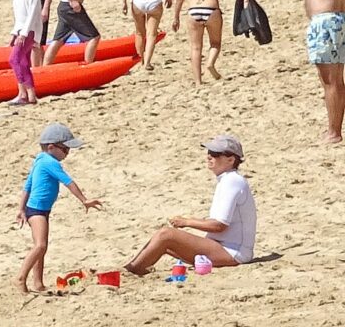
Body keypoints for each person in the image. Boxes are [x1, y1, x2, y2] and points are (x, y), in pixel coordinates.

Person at [125, 135, 256, 274]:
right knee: (163, 244)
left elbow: (219, 226)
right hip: (226, 247)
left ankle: (130, 270)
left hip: (232, 252)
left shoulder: (231, 181)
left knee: (165, 235)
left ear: (231, 160)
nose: (209, 157)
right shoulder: (228, 180)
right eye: (209, 153)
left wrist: (186, 222)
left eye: (215, 154)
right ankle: (133, 268)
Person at [16, 123, 101, 294]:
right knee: (40, 246)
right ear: (51, 147)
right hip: (38, 210)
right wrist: (84, 200)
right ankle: (21, 277)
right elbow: (68, 182)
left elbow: (28, 186)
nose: (67, 153)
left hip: (39, 210)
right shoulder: (50, 162)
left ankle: (38, 283)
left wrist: (21, 208)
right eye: (65, 149)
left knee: (41, 247)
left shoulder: (40, 159)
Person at [303, 0, 345, 142]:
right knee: (338, 80)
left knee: (329, 81)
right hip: (339, 19)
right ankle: (336, 128)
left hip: (324, 22)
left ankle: (334, 132)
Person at [5, 0, 43, 104]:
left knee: (14, 59)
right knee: (23, 61)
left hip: (28, 31)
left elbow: (33, 12)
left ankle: (24, 94)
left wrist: (24, 33)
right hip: (22, 30)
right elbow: (20, 16)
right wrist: (15, 33)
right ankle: (29, 95)